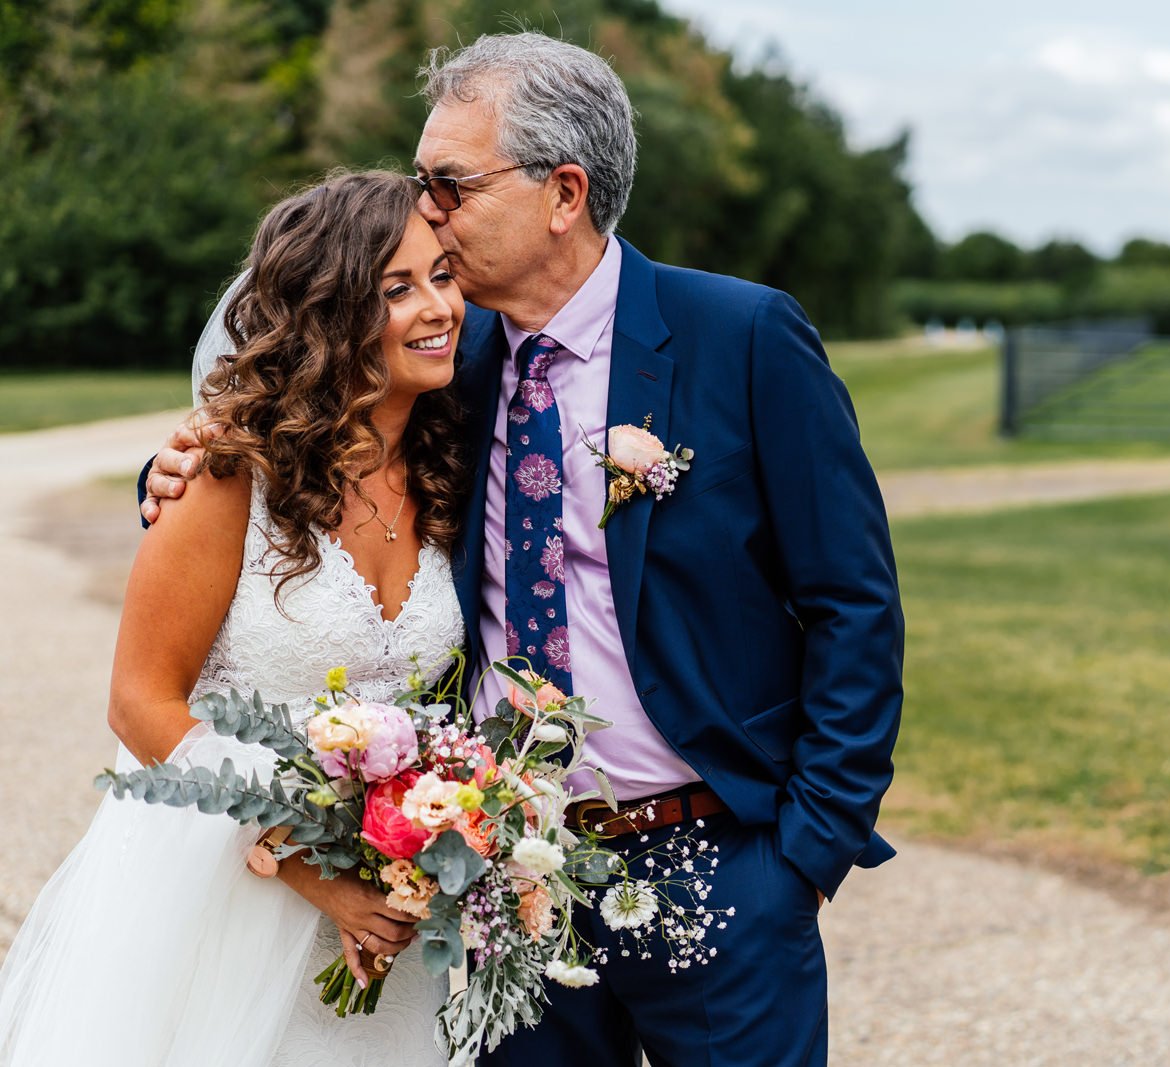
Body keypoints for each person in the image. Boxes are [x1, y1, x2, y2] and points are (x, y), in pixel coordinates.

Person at [142, 30, 904, 1067]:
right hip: (510, 881)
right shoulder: (450, 360)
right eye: (422, 183)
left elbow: (852, 603)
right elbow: (303, 432)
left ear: (564, 192)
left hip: (718, 865)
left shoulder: (742, 337)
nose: (427, 212)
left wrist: (803, 855)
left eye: (448, 185)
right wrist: (185, 456)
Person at [0, 171, 470, 1066]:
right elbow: (140, 703)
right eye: (397, 288)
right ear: (332, 313)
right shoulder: (226, 473)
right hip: (221, 894)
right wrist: (307, 865)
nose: (437, 306)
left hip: (383, 916)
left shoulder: (453, 465)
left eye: (443, 275)